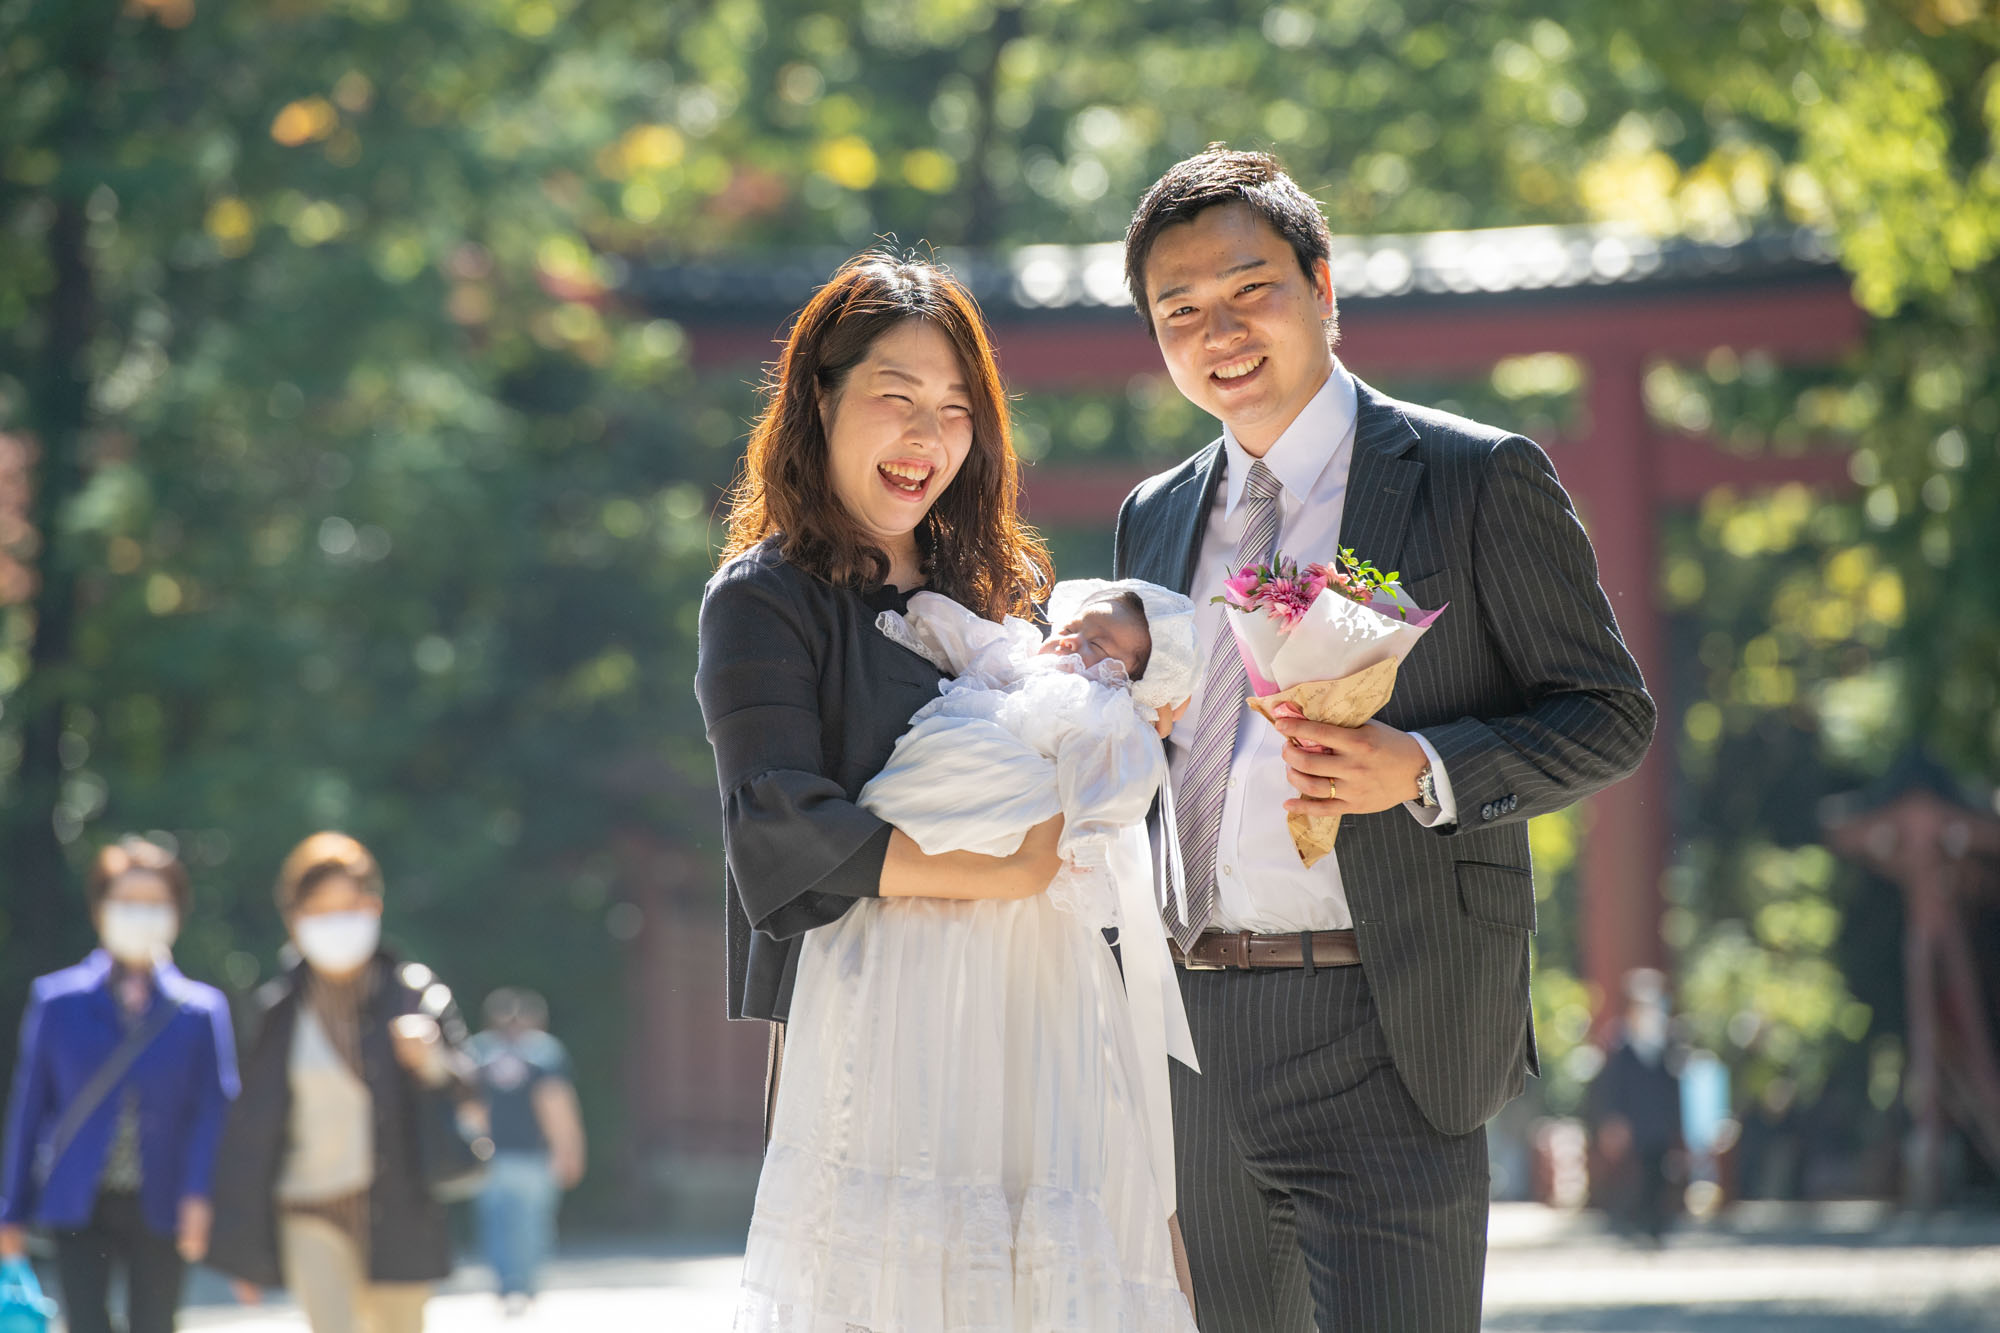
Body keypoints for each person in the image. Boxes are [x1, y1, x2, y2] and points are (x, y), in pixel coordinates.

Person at [1112, 146, 1658, 1331]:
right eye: (1179, 309)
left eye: (1249, 288)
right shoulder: (1154, 513)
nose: (1219, 329)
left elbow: (1608, 715)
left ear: (1321, 284)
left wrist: (1422, 768)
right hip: (1188, 1033)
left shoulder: (1473, 478)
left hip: (1387, 1017)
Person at [699, 251, 1195, 1330]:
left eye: (955, 409)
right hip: (882, 991)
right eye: (895, 399)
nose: (926, 438)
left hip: (1047, 987)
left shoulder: (998, 585)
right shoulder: (763, 596)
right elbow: (774, 818)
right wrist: (1003, 868)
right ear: (818, 399)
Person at [739, 574, 1202, 1329]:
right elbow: (965, 633)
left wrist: (1078, 842)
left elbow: (1113, 789)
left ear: (1143, 681)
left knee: (1008, 1156)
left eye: (1103, 646)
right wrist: (922, 615)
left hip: (1010, 887)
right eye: (1072, 628)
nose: (1074, 647)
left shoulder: (1105, 713)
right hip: (905, 852)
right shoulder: (1018, 660)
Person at [206, 832, 478, 1333]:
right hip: (308, 1208)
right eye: (320, 910)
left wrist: (431, 1059)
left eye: (349, 907)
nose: (337, 923)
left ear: (374, 906)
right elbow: (250, 1129)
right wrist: (239, 1249)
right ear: (294, 919)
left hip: (398, 1207)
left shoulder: (413, 992)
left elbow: (469, 1088)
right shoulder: (279, 1009)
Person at [0, 837, 239, 1333]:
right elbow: (29, 1110)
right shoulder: (56, 1001)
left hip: (163, 1198)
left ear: (176, 911)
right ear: (100, 909)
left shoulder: (200, 1010)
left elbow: (212, 1115)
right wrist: (10, 1210)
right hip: (77, 1200)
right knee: (86, 1323)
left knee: (155, 1324)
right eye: (128, 902)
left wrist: (200, 1196)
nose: (141, 915)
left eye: (155, 903)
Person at [467, 988, 584, 1315]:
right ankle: (527, 1286)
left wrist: (471, 1148)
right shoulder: (543, 1052)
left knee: (495, 1225)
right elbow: (556, 1105)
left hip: (489, 1156)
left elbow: (472, 1109)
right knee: (533, 1226)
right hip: (534, 1157)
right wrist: (569, 1151)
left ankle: (507, 1286)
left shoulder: (479, 1052)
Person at [1587, 968, 1684, 1242]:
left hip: (1658, 1122)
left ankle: (1657, 1226)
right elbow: (1610, 1088)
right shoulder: (1620, 1044)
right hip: (1630, 1122)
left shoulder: (1667, 1043)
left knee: (1659, 1172)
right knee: (1630, 1175)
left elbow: (1674, 1088)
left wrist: (1677, 1123)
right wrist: (1611, 1121)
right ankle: (1629, 1223)